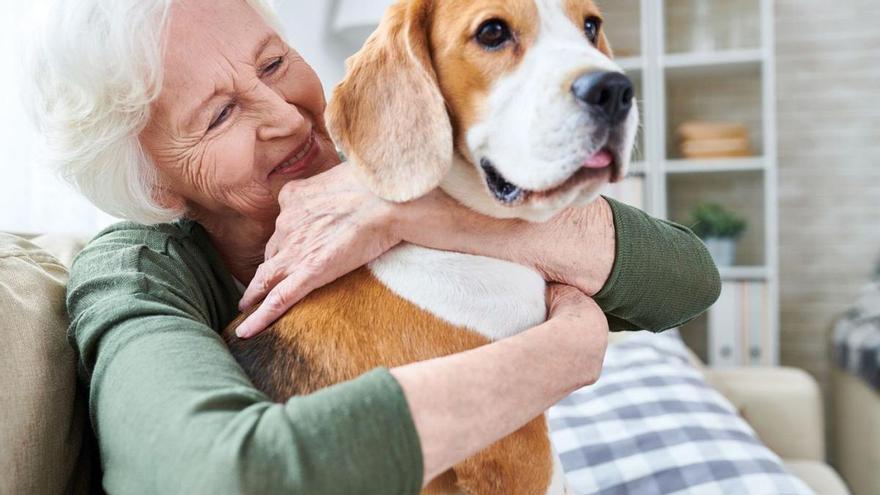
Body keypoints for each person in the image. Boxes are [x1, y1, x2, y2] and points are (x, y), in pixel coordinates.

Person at [27, 0, 720, 492]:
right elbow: (222, 474)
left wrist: (413, 214)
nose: (283, 116)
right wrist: (560, 355)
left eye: (272, 64)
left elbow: (688, 280)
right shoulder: (133, 273)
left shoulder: (394, 165)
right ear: (156, 183)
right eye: (220, 114)